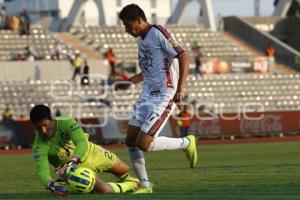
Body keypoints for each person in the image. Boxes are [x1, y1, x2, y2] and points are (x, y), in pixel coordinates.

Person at [118, 4, 198, 194]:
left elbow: (184, 56)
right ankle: (145, 185)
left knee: (144, 143)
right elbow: (147, 72)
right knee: (130, 140)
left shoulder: (158, 32)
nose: (127, 30)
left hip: (164, 95)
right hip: (147, 94)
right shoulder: (141, 41)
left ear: (138, 20)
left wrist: (180, 89)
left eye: (128, 25)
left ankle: (186, 142)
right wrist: (129, 82)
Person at [29, 105, 140, 196]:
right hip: (73, 171)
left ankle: (126, 181)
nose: (43, 130)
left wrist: (73, 160)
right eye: (38, 127)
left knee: (124, 169)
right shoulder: (39, 146)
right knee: (104, 190)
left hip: (91, 152)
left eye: (45, 125)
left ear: (51, 119)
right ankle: (132, 184)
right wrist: (50, 184)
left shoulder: (66, 122)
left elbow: (81, 142)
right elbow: (42, 171)